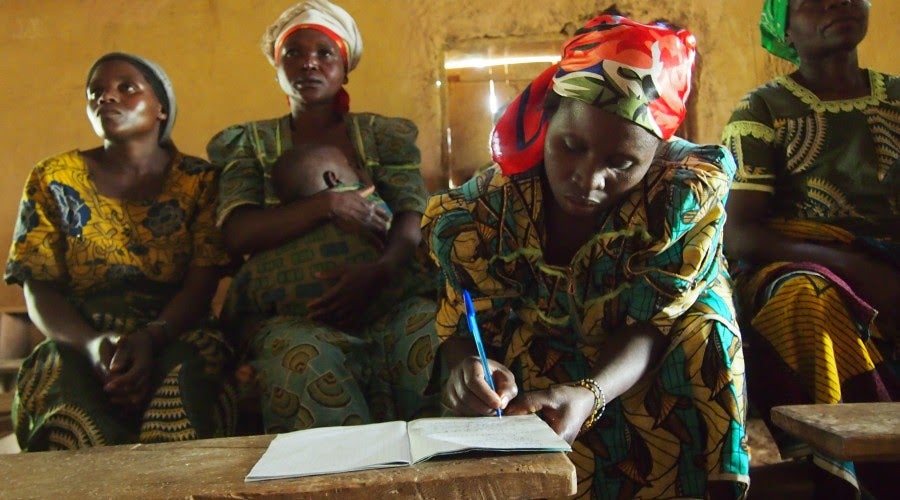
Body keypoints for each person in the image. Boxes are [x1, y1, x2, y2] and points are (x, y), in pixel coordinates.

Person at [423, 13, 750, 499]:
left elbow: (652, 323)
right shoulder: (484, 210)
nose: (588, 179)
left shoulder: (679, 201)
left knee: (707, 326)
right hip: (544, 352)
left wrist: (590, 392)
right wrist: (466, 366)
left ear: (657, 155)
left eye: (622, 163)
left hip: (643, 354)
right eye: (570, 146)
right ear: (545, 121)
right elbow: (462, 318)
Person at [206, 0, 438, 433]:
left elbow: (412, 211)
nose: (308, 63)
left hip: (390, 298)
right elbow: (237, 233)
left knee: (427, 340)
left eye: (324, 53)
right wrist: (326, 205)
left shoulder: (381, 135)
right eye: (293, 53)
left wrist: (380, 270)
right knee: (304, 364)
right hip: (294, 320)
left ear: (345, 67)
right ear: (276, 65)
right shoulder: (250, 144)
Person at [4, 52, 236, 451]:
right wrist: (92, 345)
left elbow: (202, 282)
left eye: (126, 88)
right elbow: (38, 287)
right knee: (57, 380)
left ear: (161, 108)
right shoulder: (54, 177)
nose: (106, 98)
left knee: (187, 381)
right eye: (96, 92)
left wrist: (150, 338)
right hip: (80, 335)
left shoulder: (199, 181)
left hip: (177, 329)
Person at [721, 1, 898, 497]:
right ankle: (850, 470)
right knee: (804, 301)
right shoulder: (764, 111)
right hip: (799, 263)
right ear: (785, 29)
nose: (838, 3)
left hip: (889, 259)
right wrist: (856, 266)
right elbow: (740, 235)